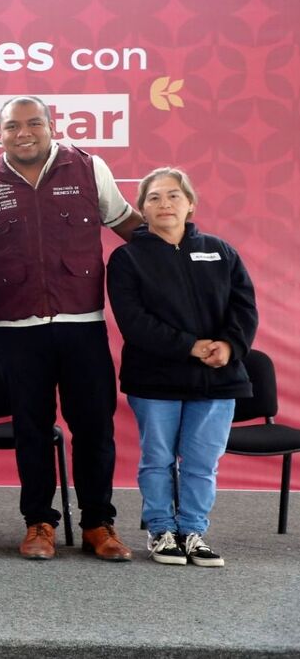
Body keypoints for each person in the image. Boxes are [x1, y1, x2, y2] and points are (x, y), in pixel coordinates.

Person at [0, 95, 143, 560]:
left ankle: (99, 523)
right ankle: (39, 522)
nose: (24, 133)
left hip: (83, 324)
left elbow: (128, 225)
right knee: (31, 429)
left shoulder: (89, 167)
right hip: (16, 329)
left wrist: (182, 246)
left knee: (94, 427)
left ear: (52, 125)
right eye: (12, 126)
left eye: (33, 123)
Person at [107, 167, 257, 568]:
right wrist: (190, 347)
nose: (164, 204)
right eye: (153, 198)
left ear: (190, 203)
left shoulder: (221, 251)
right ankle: (162, 531)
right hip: (155, 379)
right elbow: (134, 321)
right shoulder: (126, 259)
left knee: (202, 462)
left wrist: (229, 345)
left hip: (218, 379)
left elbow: (244, 308)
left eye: (173, 196)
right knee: (156, 459)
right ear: (141, 209)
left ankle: (192, 530)